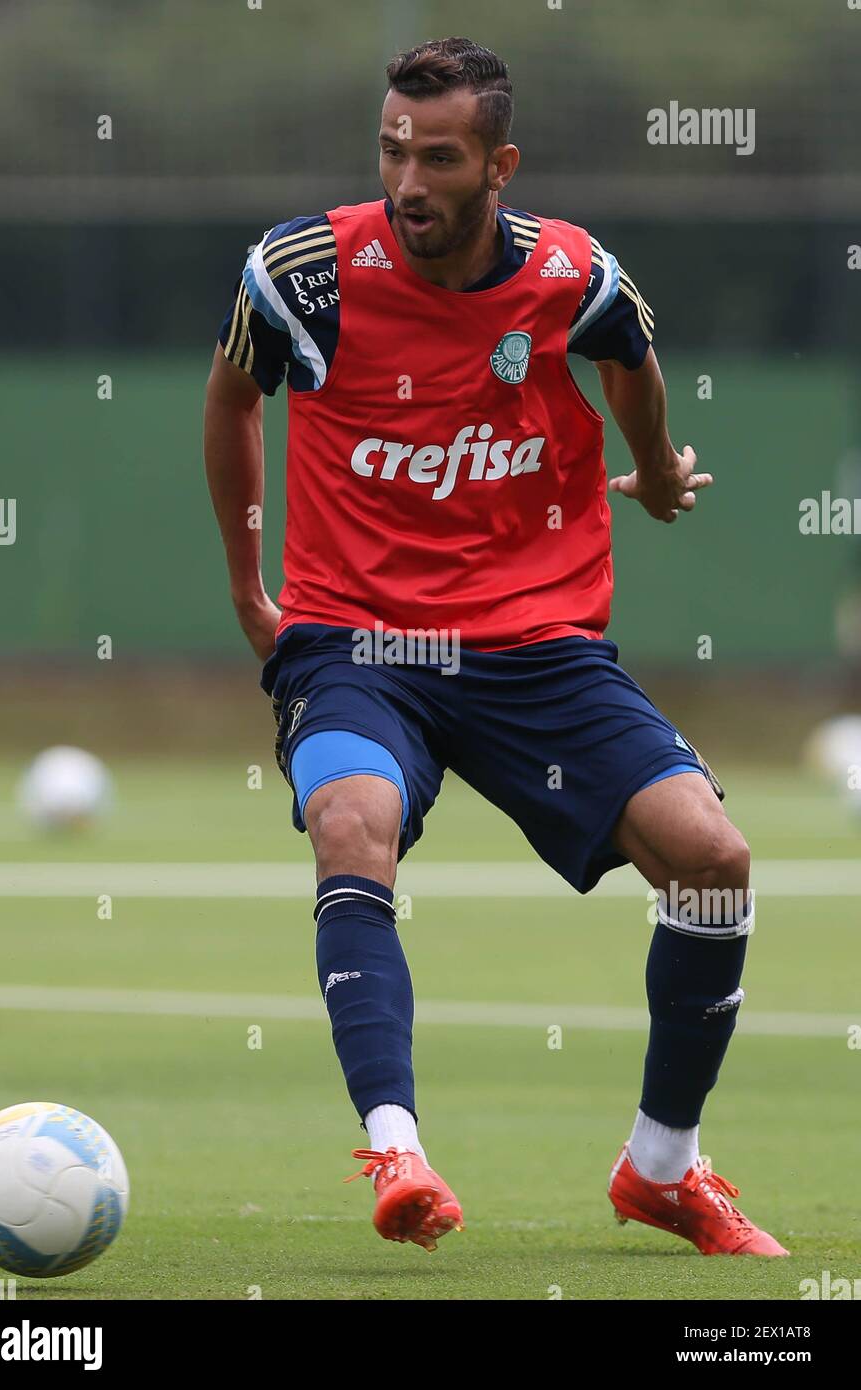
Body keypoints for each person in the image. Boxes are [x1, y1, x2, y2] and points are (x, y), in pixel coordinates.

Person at [204, 36, 787, 1257]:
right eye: (392, 150)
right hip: (353, 643)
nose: (408, 179)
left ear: (498, 166)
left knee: (712, 858)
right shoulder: (302, 271)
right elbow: (232, 398)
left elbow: (632, 359)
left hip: (536, 648)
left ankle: (662, 1169)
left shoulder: (571, 277)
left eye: (439, 156)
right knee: (349, 821)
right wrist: (253, 586)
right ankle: (397, 1148)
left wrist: (664, 466)